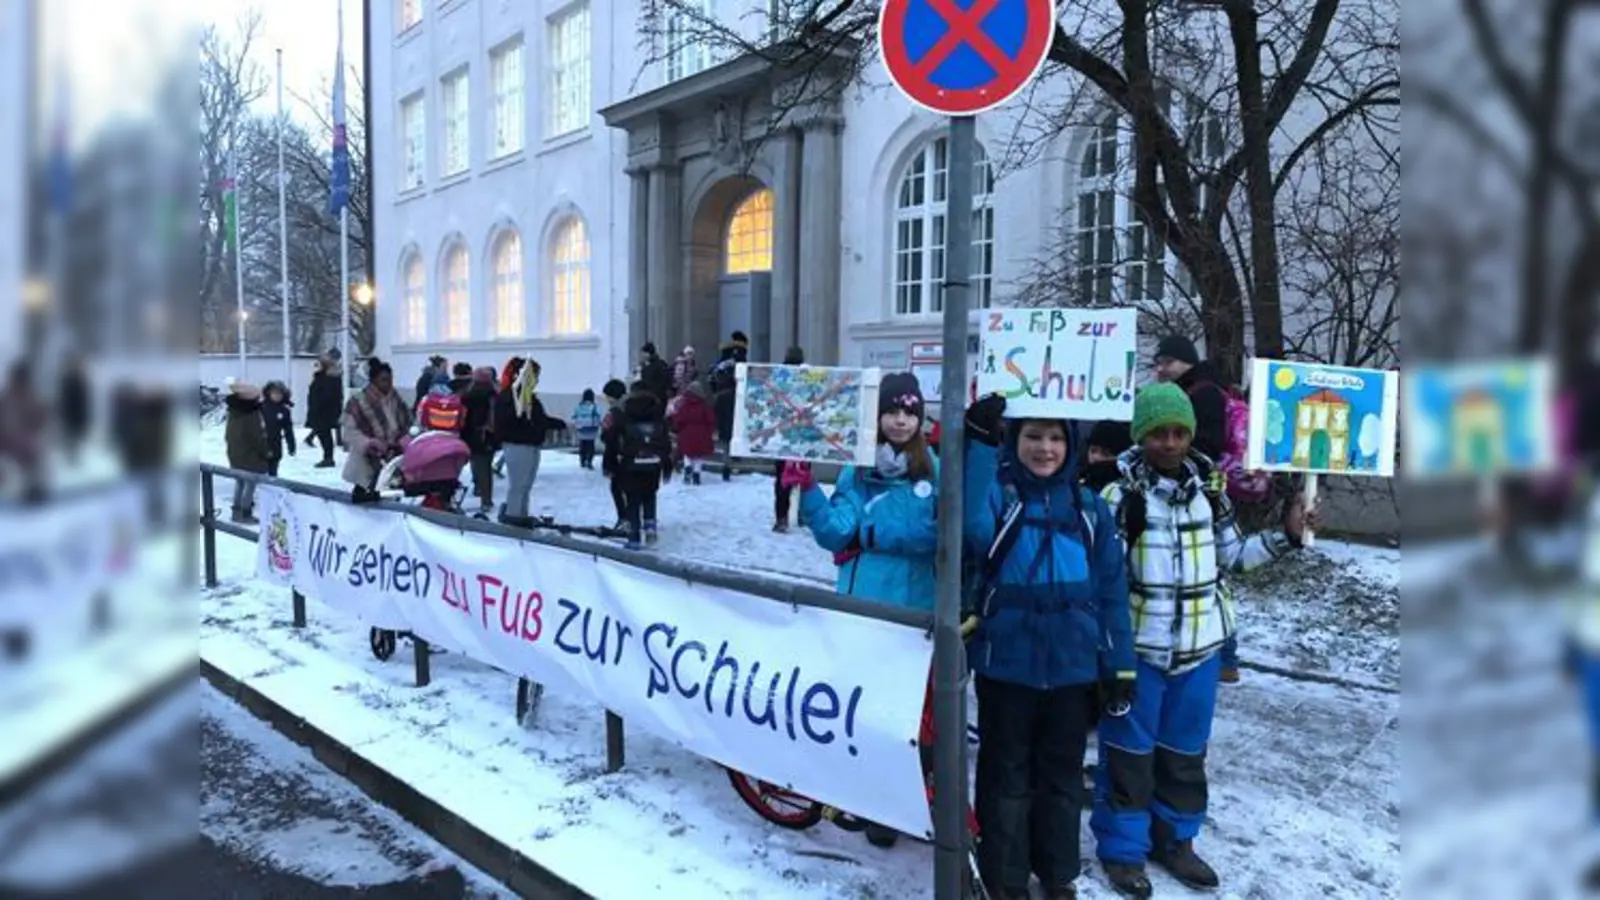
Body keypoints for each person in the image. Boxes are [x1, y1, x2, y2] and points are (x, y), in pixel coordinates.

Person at [1089, 384, 1316, 898]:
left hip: (1199, 651)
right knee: (1129, 755)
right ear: (1142, 435)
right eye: (1158, 433)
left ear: (1190, 433)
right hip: (1140, 653)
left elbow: (1234, 558)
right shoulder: (1119, 495)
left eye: (1179, 432)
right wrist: (1108, 651)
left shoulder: (1209, 491)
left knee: (1185, 753)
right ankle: (1123, 850)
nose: (1169, 442)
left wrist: (1287, 533)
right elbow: (1104, 581)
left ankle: (1174, 839)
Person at [961, 395, 1135, 900]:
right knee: (1005, 777)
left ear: (1072, 445)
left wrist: (1118, 665)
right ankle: (1005, 875)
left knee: (1061, 780)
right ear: (1015, 441)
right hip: (1007, 665)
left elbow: (1110, 593)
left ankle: (1058, 873)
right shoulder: (999, 495)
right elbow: (971, 531)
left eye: (1056, 437)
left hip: (1072, 670)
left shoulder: (1089, 510)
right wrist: (975, 443)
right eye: (1033, 435)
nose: (1045, 447)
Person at [789, 372, 939, 849]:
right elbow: (836, 532)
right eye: (893, 411)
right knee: (870, 714)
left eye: (909, 411)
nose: (901, 420)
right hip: (862, 611)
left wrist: (873, 537)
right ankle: (879, 805)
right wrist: (809, 490)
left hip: (915, 618)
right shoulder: (857, 471)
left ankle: (917, 799)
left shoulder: (934, 471)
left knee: (914, 720)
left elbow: (938, 538)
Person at [1152, 335, 1244, 683]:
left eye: (1168, 362)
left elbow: (1206, 444)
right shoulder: (1199, 389)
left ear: (1186, 362)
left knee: (1210, 575)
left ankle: (1225, 656)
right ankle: (1225, 657)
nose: (1161, 369)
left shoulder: (1201, 392)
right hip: (1203, 489)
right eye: (1158, 362)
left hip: (1200, 492)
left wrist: (1179, 471)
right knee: (1207, 573)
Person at [604, 380, 672, 549]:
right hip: (654, 463)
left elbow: (612, 440)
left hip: (630, 462)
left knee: (633, 499)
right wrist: (667, 465)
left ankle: (634, 536)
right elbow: (665, 442)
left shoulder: (624, 413)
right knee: (650, 494)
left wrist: (609, 463)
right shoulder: (657, 414)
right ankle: (650, 529)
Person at [494, 357, 563, 526]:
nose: (537, 380)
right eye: (534, 376)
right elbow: (514, 421)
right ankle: (513, 516)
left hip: (530, 444)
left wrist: (555, 424)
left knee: (525, 485)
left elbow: (537, 418)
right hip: (518, 444)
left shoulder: (527, 396)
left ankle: (521, 515)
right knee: (518, 484)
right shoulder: (510, 397)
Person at [341, 358, 412, 493]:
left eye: (390, 379)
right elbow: (349, 431)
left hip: (394, 454)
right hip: (368, 457)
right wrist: (367, 443)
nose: (389, 383)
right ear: (373, 380)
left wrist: (404, 438)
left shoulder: (396, 398)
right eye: (384, 380)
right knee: (366, 492)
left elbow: (407, 421)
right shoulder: (358, 401)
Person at [224, 381, 272, 523]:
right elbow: (257, 438)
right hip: (250, 456)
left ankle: (236, 512)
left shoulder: (233, 412)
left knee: (239, 484)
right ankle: (245, 513)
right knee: (249, 485)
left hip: (235, 454)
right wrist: (266, 452)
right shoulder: (251, 415)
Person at [772, 346, 807, 530]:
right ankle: (803, 514)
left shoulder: (778, 376)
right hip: (803, 435)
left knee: (782, 479)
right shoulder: (807, 376)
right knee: (804, 476)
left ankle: (781, 519)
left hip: (783, 437)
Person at [461, 366, 499, 517]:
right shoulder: (493, 394)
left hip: (471, 435)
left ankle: (478, 488)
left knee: (476, 465)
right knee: (486, 468)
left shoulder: (467, 395)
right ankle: (486, 499)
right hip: (486, 435)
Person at [668, 381, 717, 485]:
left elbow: (679, 418)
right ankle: (696, 474)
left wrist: (677, 428)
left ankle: (687, 467)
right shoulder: (704, 405)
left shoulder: (684, 404)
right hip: (702, 432)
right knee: (699, 455)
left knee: (687, 453)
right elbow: (710, 419)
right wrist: (710, 431)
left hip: (686, 431)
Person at [599, 379, 630, 528]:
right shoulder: (632, 408)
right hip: (633, 453)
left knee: (617, 488)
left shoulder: (614, 412)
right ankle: (635, 518)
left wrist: (608, 464)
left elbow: (607, 436)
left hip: (618, 456)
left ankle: (624, 518)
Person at [305, 355, 344, 468]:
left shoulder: (328, 378)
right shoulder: (323, 377)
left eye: (318, 365)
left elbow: (327, 396)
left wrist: (318, 407)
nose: (316, 367)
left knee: (324, 434)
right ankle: (327, 457)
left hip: (323, 411)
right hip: (321, 410)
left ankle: (328, 458)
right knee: (323, 433)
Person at [1082, 419, 1133, 492]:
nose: (1097, 457)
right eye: (1093, 451)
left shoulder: (1130, 488)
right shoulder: (1078, 488)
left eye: (1105, 453)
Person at [58, 355, 90, 465]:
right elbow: (63, 400)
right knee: (70, 438)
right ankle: (69, 458)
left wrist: (85, 418)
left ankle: (74, 458)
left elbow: (85, 402)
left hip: (78, 415)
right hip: (69, 415)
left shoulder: (81, 382)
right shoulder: (66, 381)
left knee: (76, 439)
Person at [260, 380, 297, 477]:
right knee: (261, 467)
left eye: (280, 394)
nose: (277, 396)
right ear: (269, 393)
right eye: (274, 393)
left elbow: (288, 429)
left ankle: (272, 481)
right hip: (261, 442)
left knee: (273, 466)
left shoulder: (284, 410)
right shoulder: (261, 407)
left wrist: (291, 444)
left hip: (275, 442)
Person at [572, 388, 603, 471]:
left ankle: (582, 461)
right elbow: (599, 417)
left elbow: (574, 416)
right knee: (591, 445)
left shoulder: (579, 406)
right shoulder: (594, 406)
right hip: (592, 429)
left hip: (581, 429)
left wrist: (577, 425)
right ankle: (589, 461)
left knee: (583, 445)